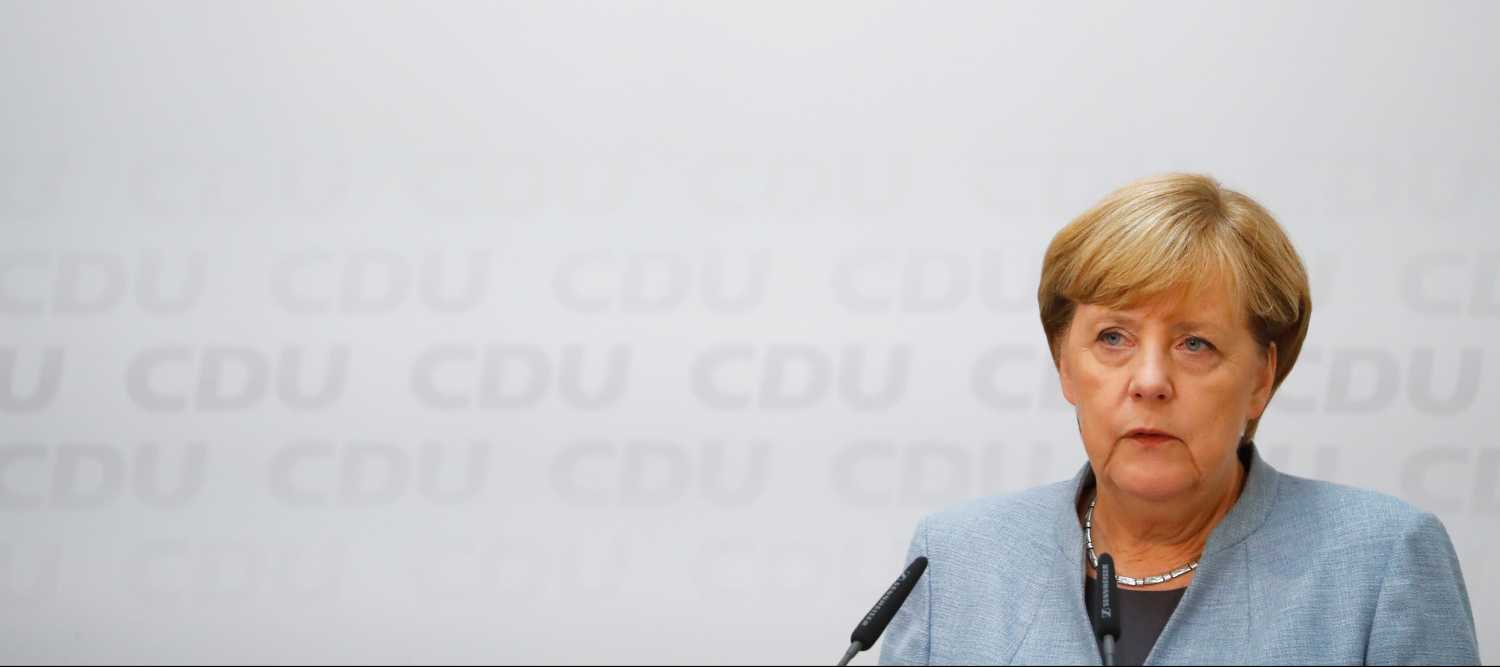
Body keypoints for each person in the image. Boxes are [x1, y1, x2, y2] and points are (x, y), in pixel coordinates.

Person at [878, 173, 1480, 665]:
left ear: (1261, 379)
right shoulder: (956, 558)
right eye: (1113, 337)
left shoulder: (1379, 562)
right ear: (1065, 365)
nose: (1149, 382)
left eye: (1195, 344)